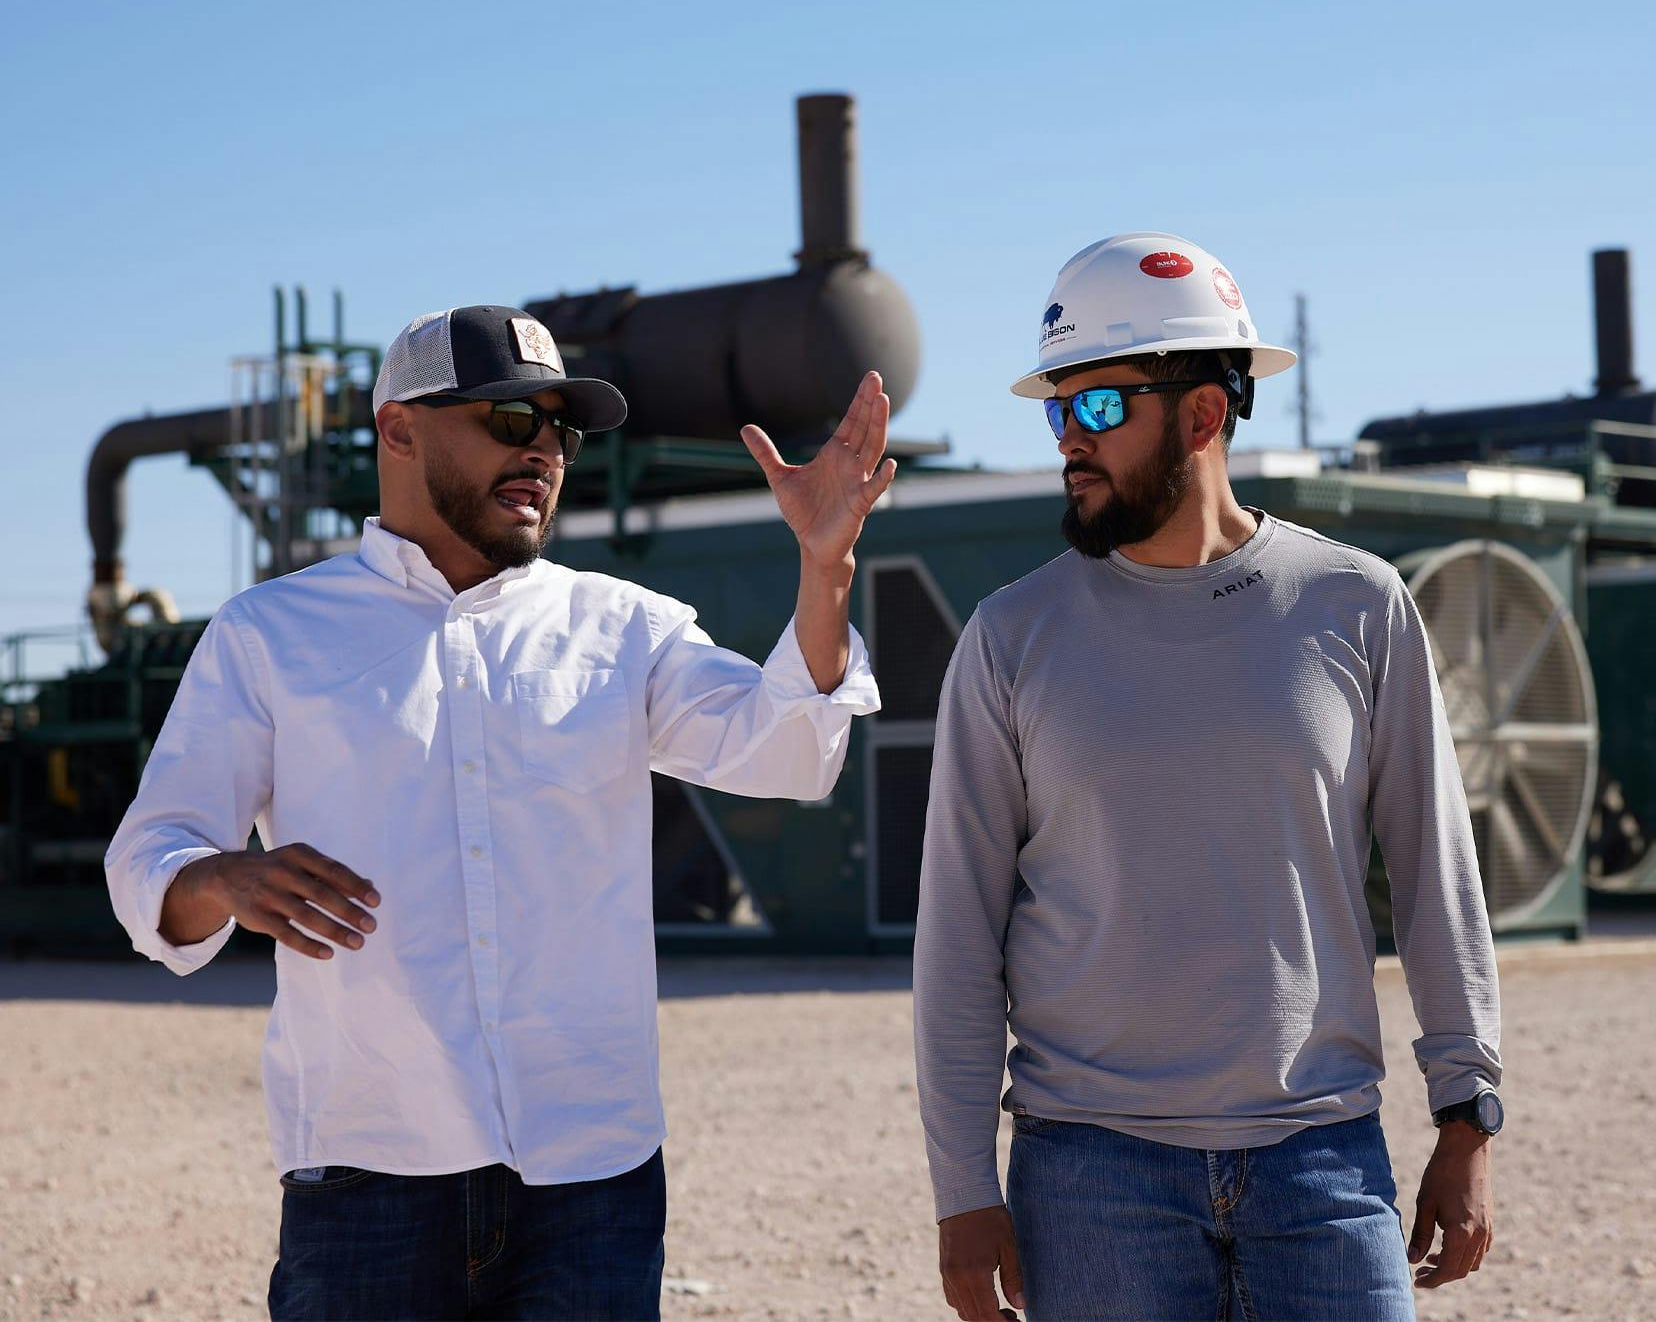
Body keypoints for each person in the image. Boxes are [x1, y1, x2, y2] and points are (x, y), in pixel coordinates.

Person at [105, 304, 893, 1321]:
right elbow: (149, 853)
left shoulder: (623, 628)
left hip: (593, 1179)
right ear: (399, 427)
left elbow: (787, 748)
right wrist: (217, 877)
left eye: (560, 430)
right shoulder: (271, 635)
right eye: (510, 419)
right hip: (368, 1173)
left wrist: (823, 568)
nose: (544, 453)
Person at [913, 233, 1501, 1322]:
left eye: (1096, 410)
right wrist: (962, 1191)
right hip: (1090, 1177)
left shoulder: (1358, 606)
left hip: (1325, 1166)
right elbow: (957, 938)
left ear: (1200, 415)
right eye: (1056, 411)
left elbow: (1437, 883)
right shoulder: (1010, 637)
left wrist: (1467, 1117)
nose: (1067, 444)